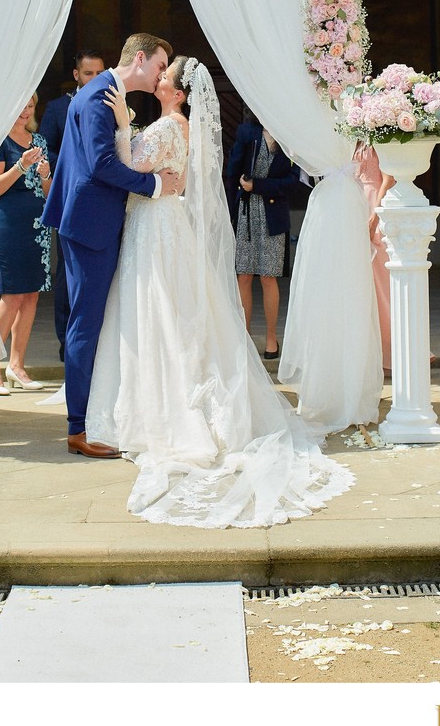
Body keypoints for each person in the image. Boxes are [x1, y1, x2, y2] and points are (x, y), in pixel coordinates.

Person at [85, 57, 354, 528]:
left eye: (166, 76)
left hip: (156, 225)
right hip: (163, 223)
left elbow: (132, 168)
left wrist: (124, 126)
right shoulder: (178, 124)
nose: (160, 77)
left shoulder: (170, 126)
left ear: (179, 92)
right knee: (165, 311)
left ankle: (166, 409)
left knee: (159, 313)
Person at [42, 33, 181, 458]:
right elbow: (102, 165)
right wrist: (156, 184)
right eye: (159, 65)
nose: (161, 74)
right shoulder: (100, 96)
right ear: (140, 59)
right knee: (85, 323)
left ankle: (92, 415)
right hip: (89, 224)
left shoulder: (102, 92)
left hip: (86, 220)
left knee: (89, 321)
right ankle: (79, 428)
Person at [39, 49, 105, 361]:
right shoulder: (57, 108)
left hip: (105, 203)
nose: (94, 79)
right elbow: (45, 148)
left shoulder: (113, 104)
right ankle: (67, 340)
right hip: (69, 199)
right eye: (88, 73)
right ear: (76, 75)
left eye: (99, 73)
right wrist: (75, 163)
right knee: (68, 271)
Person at [0, 94, 52, 394]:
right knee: (12, 296)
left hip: (37, 225)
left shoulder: (38, 139)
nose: (26, 111)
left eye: (30, 106)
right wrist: (22, 167)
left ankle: (17, 365)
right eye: (21, 105)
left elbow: (49, 192)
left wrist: (46, 174)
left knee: (32, 296)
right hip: (9, 224)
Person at [227, 118, 300, 360]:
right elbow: (232, 171)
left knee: (269, 277)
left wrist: (257, 185)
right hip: (246, 214)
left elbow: (292, 183)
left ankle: (271, 338)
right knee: (245, 275)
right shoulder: (247, 130)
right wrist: (228, 211)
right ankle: (244, 337)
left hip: (273, 215)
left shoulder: (288, 134)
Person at [353, 143, 395, 373]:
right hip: (354, 207)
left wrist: (375, 216)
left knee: (382, 285)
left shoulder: (379, 139)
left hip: (374, 208)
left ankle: (392, 351)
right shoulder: (352, 141)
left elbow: (389, 179)